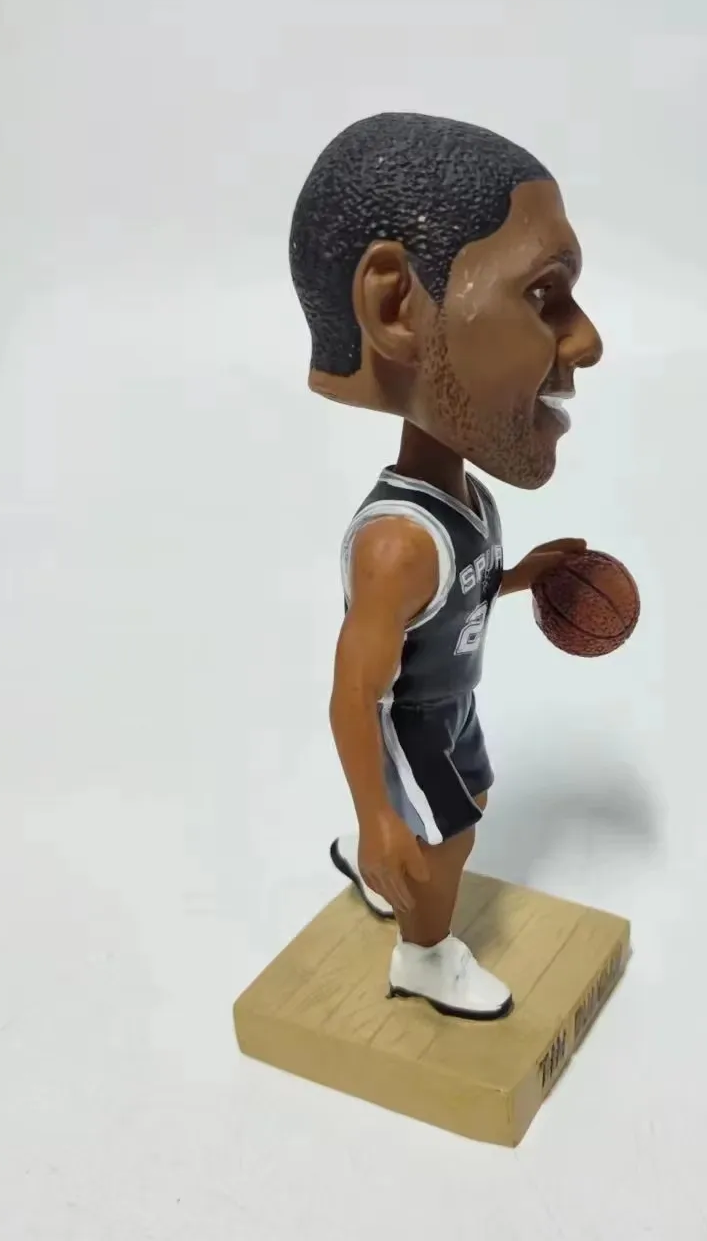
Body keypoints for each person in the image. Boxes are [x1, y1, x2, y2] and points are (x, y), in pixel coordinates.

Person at [289, 112, 603, 1019]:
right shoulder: (397, 543)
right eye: (543, 294)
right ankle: (422, 956)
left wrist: (521, 574)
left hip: (452, 701)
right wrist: (376, 814)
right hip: (414, 715)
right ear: (396, 308)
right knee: (447, 837)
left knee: (474, 800)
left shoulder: (465, 504)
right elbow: (355, 694)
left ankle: (387, 871)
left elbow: (455, 597)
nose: (586, 340)